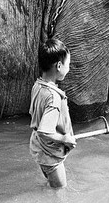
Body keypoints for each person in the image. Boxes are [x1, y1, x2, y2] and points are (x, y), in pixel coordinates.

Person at [29, 38, 77, 188]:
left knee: (51, 186)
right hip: (50, 154)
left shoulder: (38, 85)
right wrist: (65, 138)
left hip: (39, 147)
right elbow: (45, 131)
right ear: (59, 66)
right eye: (68, 65)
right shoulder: (53, 97)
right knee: (60, 192)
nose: (68, 69)